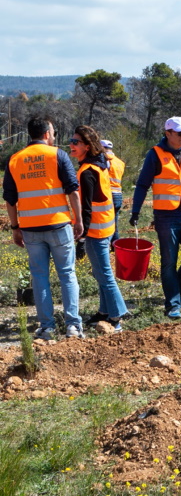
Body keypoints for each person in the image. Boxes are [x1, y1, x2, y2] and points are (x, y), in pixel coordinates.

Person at [2, 116, 85, 340]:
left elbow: (9, 200)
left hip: (30, 229)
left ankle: (47, 327)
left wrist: (15, 227)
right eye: (54, 133)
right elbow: (73, 190)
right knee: (67, 274)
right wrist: (78, 220)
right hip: (58, 225)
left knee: (39, 277)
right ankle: (73, 326)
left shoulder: (15, 160)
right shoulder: (57, 155)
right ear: (47, 134)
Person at [130, 116, 181, 319]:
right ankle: (172, 304)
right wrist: (135, 211)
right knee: (169, 261)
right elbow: (142, 184)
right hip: (166, 216)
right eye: (180, 133)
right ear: (168, 134)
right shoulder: (155, 154)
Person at [70, 126, 129, 330]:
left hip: (96, 229)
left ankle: (117, 315)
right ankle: (105, 311)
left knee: (104, 274)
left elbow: (86, 207)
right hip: (106, 225)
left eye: (76, 142)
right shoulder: (100, 164)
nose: (71, 145)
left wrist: (81, 235)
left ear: (87, 146)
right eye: (72, 141)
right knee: (100, 273)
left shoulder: (87, 171)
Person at [101, 139, 125, 243]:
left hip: (108, 194)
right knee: (115, 223)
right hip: (118, 195)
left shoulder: (104, 160)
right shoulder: (120, 162)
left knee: (106, 225)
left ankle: (110, 245)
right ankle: (115, 247)